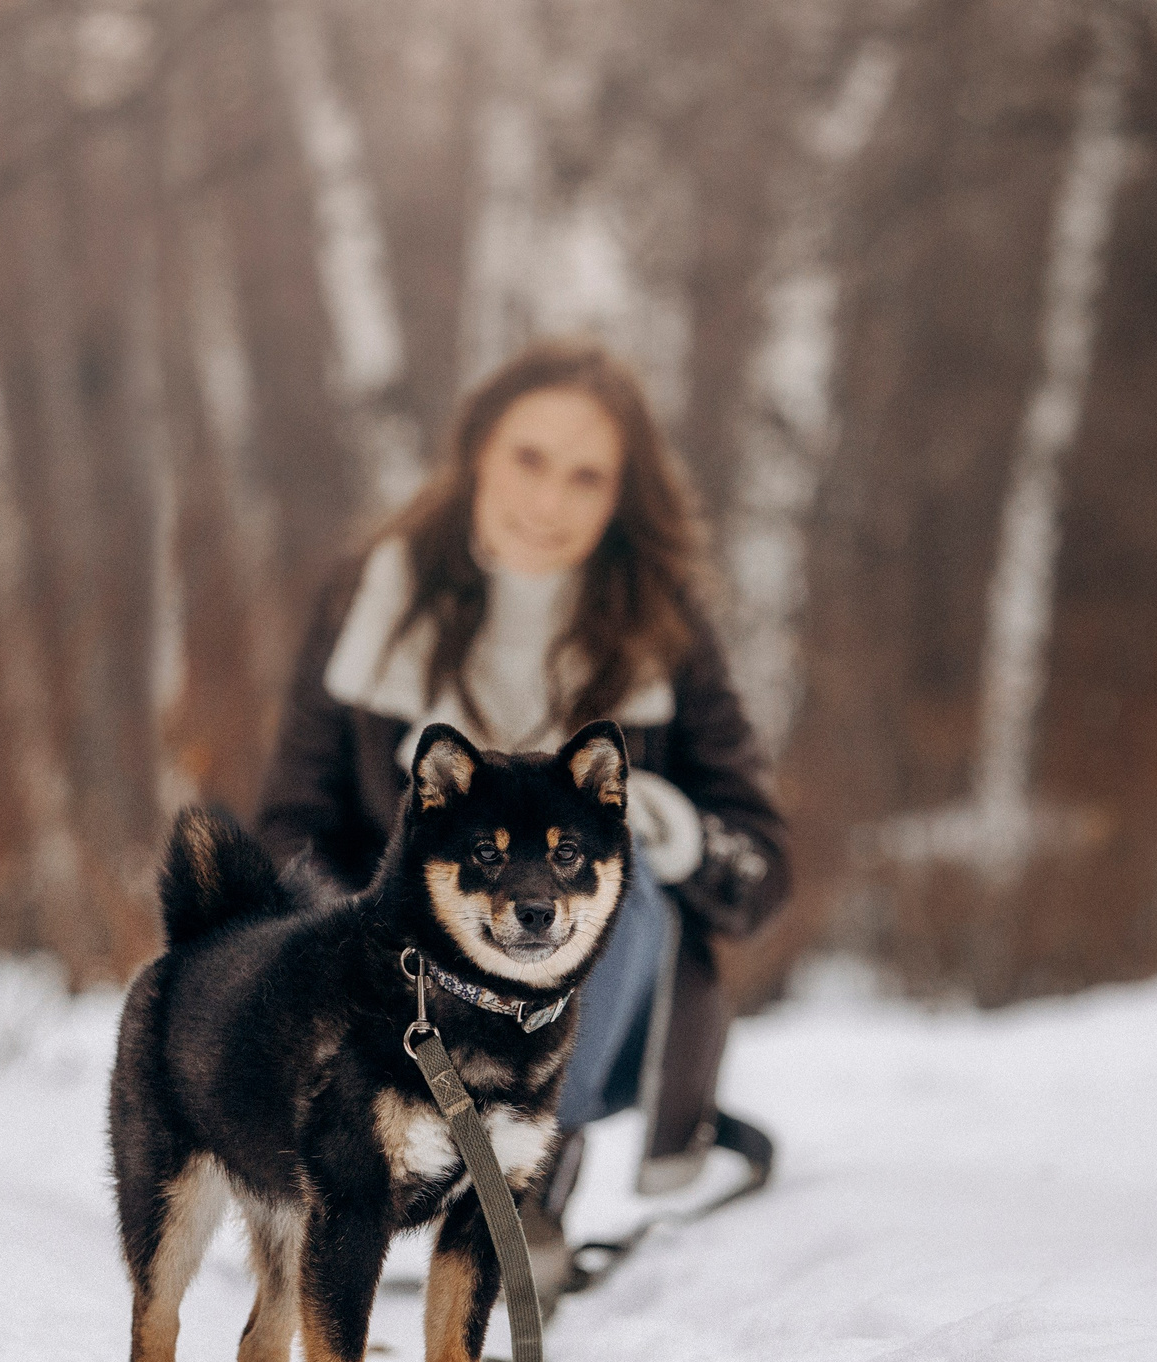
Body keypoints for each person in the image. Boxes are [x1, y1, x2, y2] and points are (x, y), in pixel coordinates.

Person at [255, 338, 790, 1295]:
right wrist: (365, 932)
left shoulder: (665, 626)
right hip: (395, 1000)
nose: (548, 502)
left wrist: (673, 829)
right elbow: (290, 829)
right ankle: (367, 1165)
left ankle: (523, 1186)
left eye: (586, 477)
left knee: (611, 888)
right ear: (475, 455)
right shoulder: (367, 599)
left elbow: (761, 864)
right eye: (529, 460)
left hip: (593, 1024)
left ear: (622, 497)